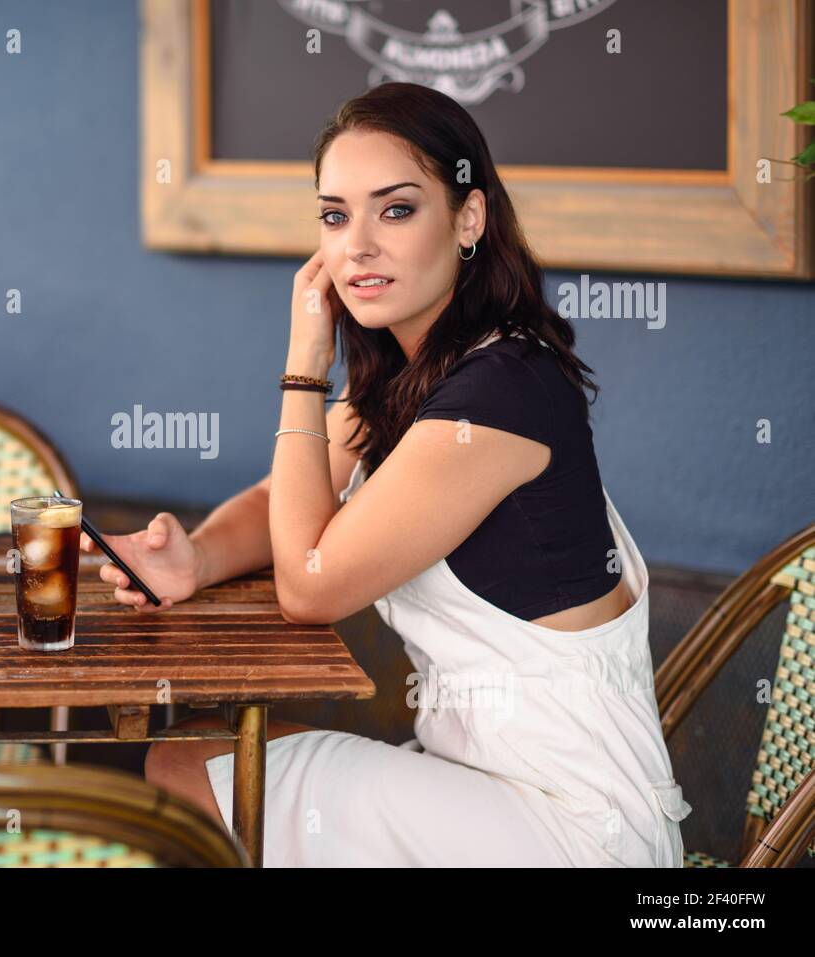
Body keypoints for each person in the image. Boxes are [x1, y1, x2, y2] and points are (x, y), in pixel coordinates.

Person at [81, 82, 691, 867]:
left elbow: (308, 581)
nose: (356, 245)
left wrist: (304, 363)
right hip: (482, 786)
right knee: (206, 756)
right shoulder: (417, 381)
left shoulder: (501, 392)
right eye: (335, 216)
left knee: (186, 767)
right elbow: (284, 498)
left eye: (395, 209)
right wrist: (195, 556)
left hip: (570, 827)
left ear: (468, 218)